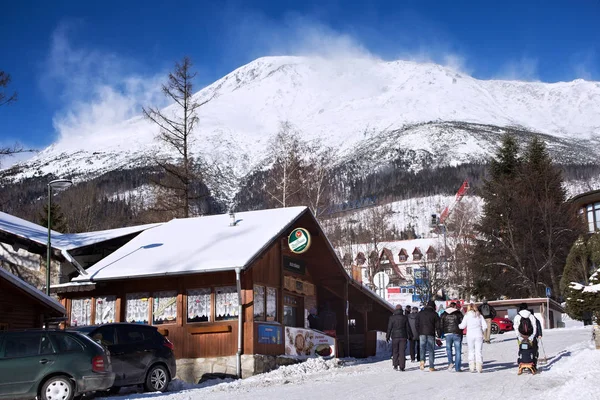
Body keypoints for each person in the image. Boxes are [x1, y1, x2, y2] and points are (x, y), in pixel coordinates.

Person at [458, 303, 487, 373]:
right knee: (478, 351)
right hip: (479, 334)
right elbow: (485, 326)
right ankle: (479, 366)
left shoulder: (467, 316)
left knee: (471, 351)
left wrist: (458, 325)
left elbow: (462, 326)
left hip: (470, 335)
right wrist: (481, 330)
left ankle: (471, 366)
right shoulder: (479, 316)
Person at [416, 300, 441, 371]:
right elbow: (438, 326)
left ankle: (422, 362)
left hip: (422, 333)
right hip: (431, 333)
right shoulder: (435, 314)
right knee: (431, 350)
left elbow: (416, 324)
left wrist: (419, 331)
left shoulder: (420, 313)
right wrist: (438, 335)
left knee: (422, 348)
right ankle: (431, 366)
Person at [386, 305, 413, 371]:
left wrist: (387, 336)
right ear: (401, 310)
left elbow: (389, 328)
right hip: (403, 336)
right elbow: (408, 328)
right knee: (402, 352)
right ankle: (402, 366)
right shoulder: (404, 318)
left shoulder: (392, 318)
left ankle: (395, 365)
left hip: (395, 337)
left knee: (395, 351)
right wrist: (410, 335)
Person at [441, 301, 464, 372]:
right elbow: (462, 323)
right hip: (457, 333)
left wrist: (442, 332)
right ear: (455, 306)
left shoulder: (443, 314)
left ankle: (450, 362)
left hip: (447, 333)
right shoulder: (458, 313)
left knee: (448, 349)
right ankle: (457, 367)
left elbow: (441, 324)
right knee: (458, 350)